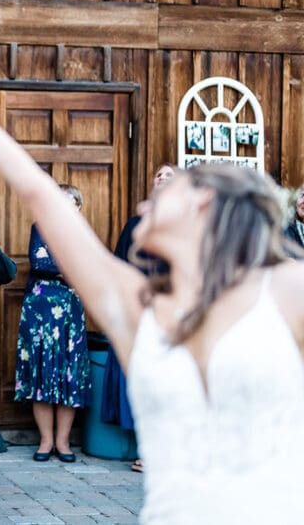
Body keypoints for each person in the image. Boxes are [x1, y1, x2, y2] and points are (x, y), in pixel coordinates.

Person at [0, 32, 304, 523]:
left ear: (204, 202)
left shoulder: (298, 289)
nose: (146, 201)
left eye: (166, 191)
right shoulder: (136, 306)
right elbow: (40, 195)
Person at [104, 163, 176, 473]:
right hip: (140, 307)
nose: (161, 178)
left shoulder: (188, 222)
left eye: (169, 176)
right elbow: (119, 264)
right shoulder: (135, 223)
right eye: (158, 174)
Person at [15, 185, 92, 463]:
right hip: (40, 309)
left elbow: (86, 265)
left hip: (70, 311)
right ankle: (46, 441)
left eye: (71, 203)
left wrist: (61, 262)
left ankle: (63, 441)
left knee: (68, 371)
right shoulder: (40, 227)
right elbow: (39, 262)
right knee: (42, 372)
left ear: (78, 208)